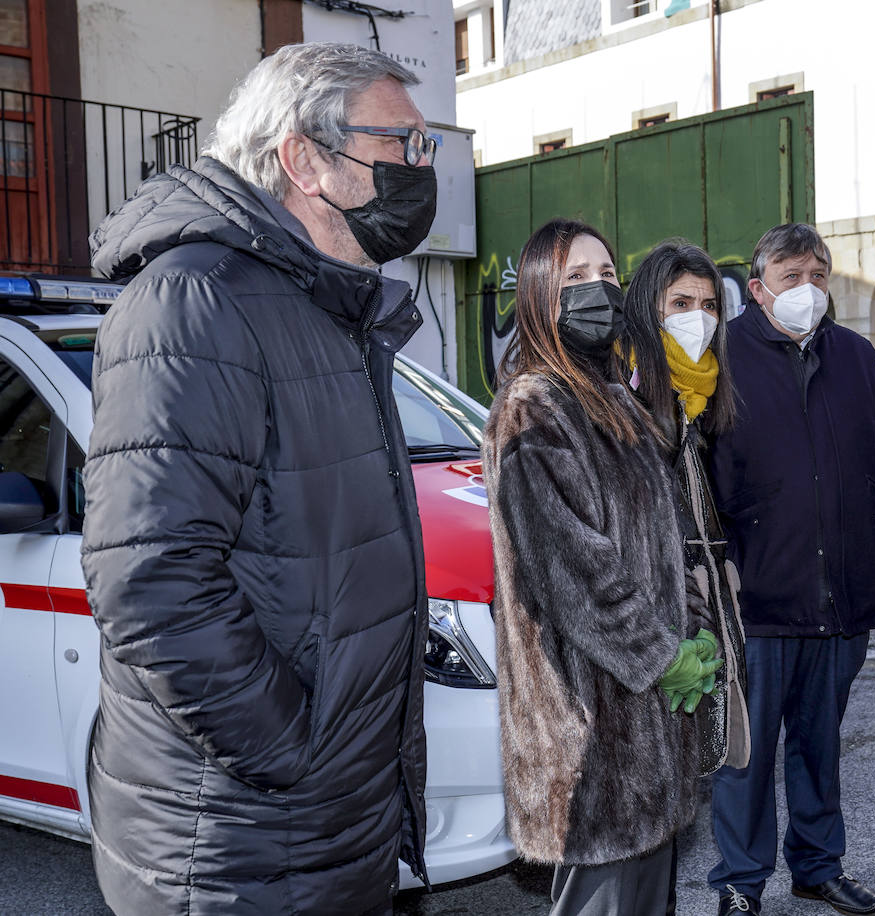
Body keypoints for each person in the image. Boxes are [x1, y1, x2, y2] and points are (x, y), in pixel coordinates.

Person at [81, 43, 438, 914]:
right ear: (305, 158)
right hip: (240, 843)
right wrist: (294, 748)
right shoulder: (195, 299)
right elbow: (151, 577)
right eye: (404, 145)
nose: (422, 170)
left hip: (322, 829)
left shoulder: (327, 303)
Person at [482, 218, 722, 916]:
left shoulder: (616, 400)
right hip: (589, 737)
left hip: (650, 721)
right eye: (576, 278)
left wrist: (696, 629)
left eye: (607, 274)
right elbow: (570, 571)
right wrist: (658, 654)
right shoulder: (532, 410)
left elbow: (670, 537)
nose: (599, 289)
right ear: (537, 296)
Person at [707, 223, 875, 916]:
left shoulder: (855, 356)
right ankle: (740, 883)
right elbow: (695, 479)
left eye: (820, 275)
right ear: (758, 287)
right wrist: (722, 575)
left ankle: (817, 867)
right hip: (757, 604)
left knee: (819, 750)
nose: (809, 290)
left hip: (842, 599)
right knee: (745, 756)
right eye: (792, 276)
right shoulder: (721, 359)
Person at [624, 238, 751, 774]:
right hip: (648, 627)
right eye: (680, 304)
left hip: (697, 612)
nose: (697, 318)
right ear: (648, 307)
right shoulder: (624, 390)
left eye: (708, 306)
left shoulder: (699, 393)